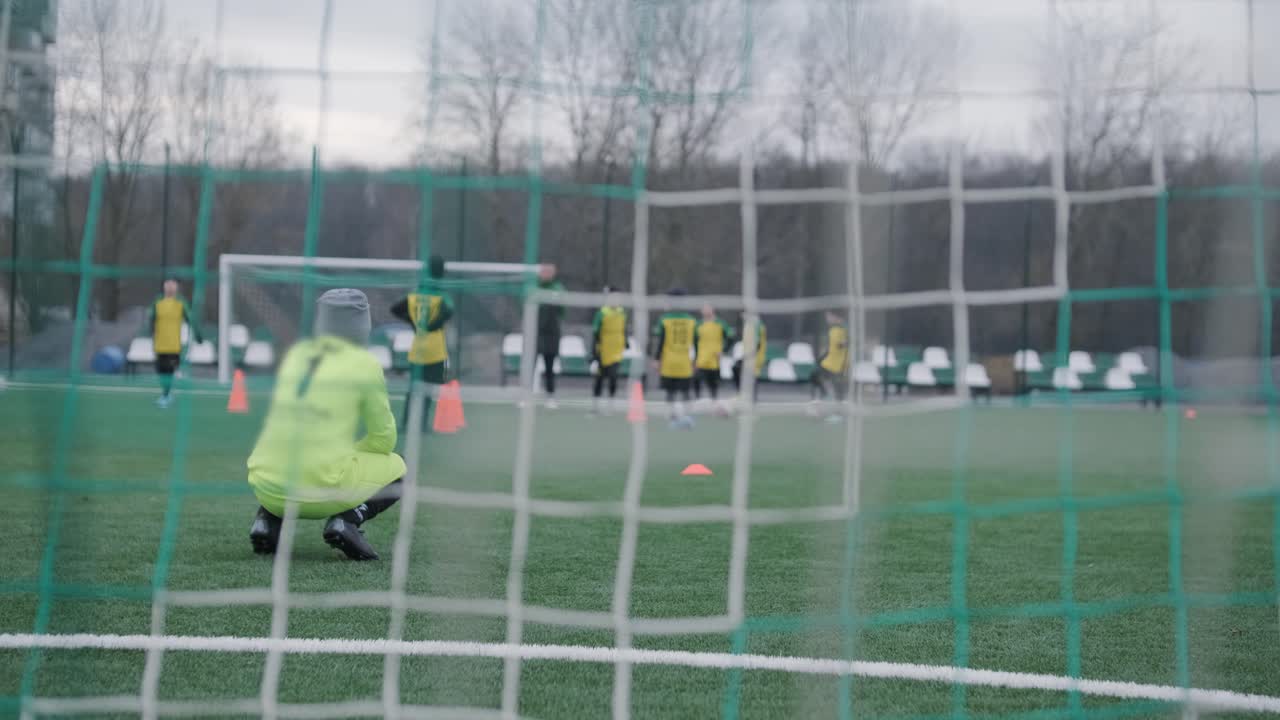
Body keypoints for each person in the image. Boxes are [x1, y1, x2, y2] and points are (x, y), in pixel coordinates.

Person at [247, 288, 407, 561]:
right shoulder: (364, 365)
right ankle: (347, 521)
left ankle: (267, 521)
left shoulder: (297, 355)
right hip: (320, 489)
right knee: (401, 468)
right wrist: (352, 451)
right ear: (362, 325)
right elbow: (383, 439)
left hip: (266, 485)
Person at [391, 256, 453, 433]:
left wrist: (413, 323)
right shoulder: (441, 296)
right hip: (435, 350)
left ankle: (406, 423)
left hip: (418, 349)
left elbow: (395, 309)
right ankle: (422, 425)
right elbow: (447, 314)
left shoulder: (415, 295)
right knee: (428, 390)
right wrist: (431, 325)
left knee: (413, 389)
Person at [148, 279, 202, 408]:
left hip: (174, 346)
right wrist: (152, 332)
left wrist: (198, 335)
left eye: (173, 286)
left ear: (176, 288)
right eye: (168, 285)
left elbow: (190, 319)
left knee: (169, 370)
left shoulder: (181, 303)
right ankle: (166, 394)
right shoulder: (157, 302)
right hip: (159, 344)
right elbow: (151, 318)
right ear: (164, 287)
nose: (170, 288)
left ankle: (166, 395)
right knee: (160, 371)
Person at [653, 289, 697, 428]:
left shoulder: (664, 319)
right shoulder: (691, 320)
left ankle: (672, 418)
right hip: (685, 362)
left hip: (669, 362)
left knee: (670, 392)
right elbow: (696, 343)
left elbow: (660, 342)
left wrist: (656, 359)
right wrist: (696, 360)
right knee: (685, 392)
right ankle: (688, 417)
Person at [591, 286, 628, 415]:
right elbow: (595, 333)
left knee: (613, 377)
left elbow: (623, 329)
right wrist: (594, 352)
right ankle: (595, 405)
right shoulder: (602, 313)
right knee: (599, 378)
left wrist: (626, 342)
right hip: (603, 351)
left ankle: (611, 404)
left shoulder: (622, 312)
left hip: (616, 351)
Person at [809, 311, 850, 422]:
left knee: (838, 388)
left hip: (838, 364)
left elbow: (843, 344)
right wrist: (822, 357)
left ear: (835, 316)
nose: (827, 318)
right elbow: (833, 347)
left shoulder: (842, 329)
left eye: (829, 316)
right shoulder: (834, 329)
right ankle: (824, 399)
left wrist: (845, 343)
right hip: (829, 362)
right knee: (814, 376)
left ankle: (838, 414)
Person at [536, 264, 565, 409]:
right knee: (529, 366)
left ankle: (550, 396)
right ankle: (525, 396)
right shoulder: (534, 287)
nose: (546, 274)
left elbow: (562, 310)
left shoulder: (558, 288)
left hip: (552, 335)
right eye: (544, 271)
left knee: (549, 367)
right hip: (535, 333)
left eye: (549, 272)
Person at [693, 304, 733, 408]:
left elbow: (730, 337)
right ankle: (697, 400)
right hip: (701, 358)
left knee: (713, 382)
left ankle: (714, 401)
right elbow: (695, 342)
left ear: (712, 310)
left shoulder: (720, 323)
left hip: (714, 359)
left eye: (708, 309)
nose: (706, 311)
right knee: (696, 378)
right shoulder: (698, 324)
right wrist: (695, 358)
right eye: (704, 309)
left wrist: (723, 351)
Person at [732, 316, 767, 401]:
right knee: (737, 368)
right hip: (749, 355)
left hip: (755, 356)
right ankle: (744, 396)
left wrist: (749, 355)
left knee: (750, 374)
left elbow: (758, 344)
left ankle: (750, 398)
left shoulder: (756, 325)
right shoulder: (749, 325)